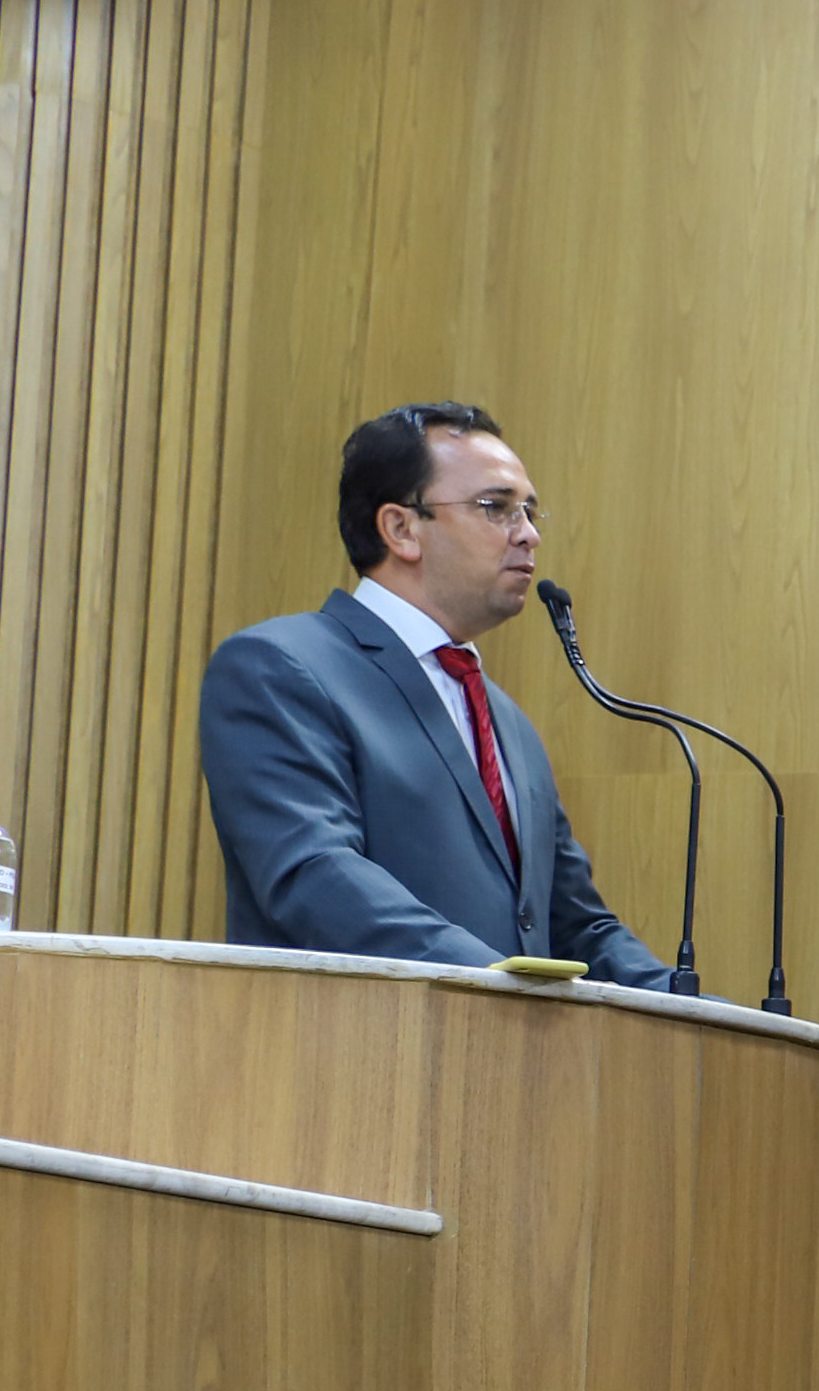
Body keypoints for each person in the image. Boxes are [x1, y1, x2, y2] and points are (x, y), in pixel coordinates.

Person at [197, 403, 673, 983]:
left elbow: (573, 924)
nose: (530, 534)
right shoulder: (281, 666)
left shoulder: (507, 722)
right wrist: (499, 981)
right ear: (401, 529)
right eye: (496, 508)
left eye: (529, 509)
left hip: (510, 1059)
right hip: (355, 1052)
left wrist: (700, 1012)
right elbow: (315, 873)